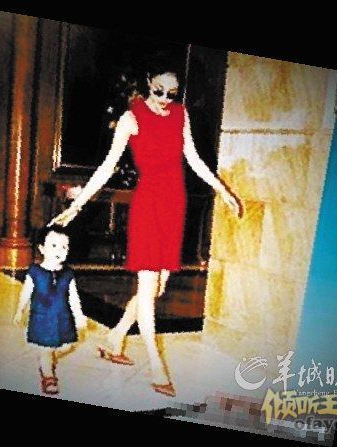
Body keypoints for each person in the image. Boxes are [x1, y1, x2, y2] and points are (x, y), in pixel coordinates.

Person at [48, 66, 243, 397]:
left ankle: (114, 339)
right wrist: (78, 205)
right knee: (148, 283)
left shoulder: (180, 115)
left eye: (172, 94)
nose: (165, 99)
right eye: (159, 91)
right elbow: (107, 167)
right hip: (148, 206)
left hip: (175, 205)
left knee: (157, 288)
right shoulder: (131, 118)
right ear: (148, 83)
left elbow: (194, 159)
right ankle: (155, 365)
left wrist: (222, 190)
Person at [13, 225, 88, 395]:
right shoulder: (35, 272)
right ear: (42, 248)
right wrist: (20, 310)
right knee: (46, 348)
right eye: (54, 245)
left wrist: (79, 315)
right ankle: (48, 376)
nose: (59, 250)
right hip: (42, 318)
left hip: (62, 318)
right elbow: (26, 293)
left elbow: (73, 297)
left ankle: (48, 359)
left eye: (64, 247)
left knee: (68, 346)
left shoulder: (68, 274)